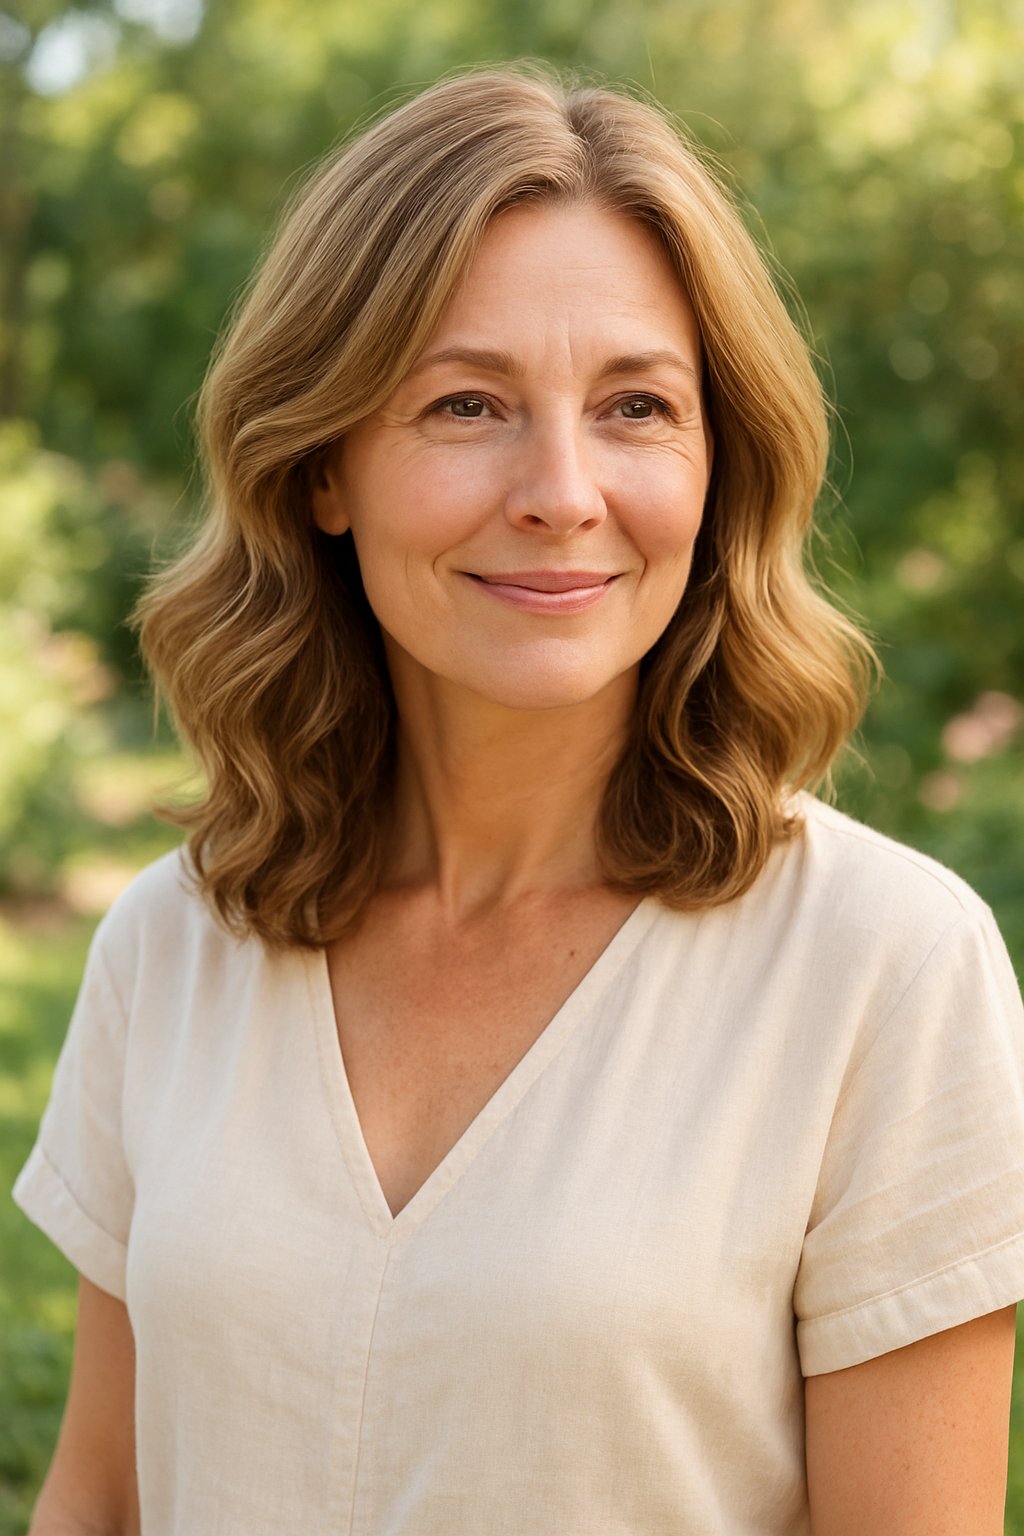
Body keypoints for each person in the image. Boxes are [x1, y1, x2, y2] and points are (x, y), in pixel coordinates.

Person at [13, 63, 1024, 1536]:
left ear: (718, 465)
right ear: (321, 469)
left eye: (636, 406)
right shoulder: (172, 945)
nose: (561, 490)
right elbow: (101, 1497)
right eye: (467, 403)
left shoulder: (886, 970)